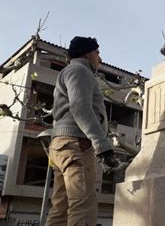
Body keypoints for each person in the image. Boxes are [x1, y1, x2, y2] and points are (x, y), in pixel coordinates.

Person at [46, 36, 117, 226]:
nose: (99, 58)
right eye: (97, 53)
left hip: (61, 145)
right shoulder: (80, 71)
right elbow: (81, 108)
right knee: (83, 204)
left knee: (60, 207)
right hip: (76, 143)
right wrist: (101, 144)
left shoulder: (68, 72)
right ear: (87, 53)